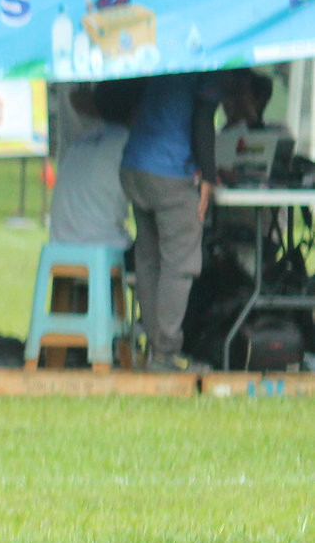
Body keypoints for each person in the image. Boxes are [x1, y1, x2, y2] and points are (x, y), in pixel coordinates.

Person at [120, 70, 223, 370]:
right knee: (179, 263)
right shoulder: (213, 59)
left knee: (149, 259)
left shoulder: (172, 50)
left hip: (134, 165)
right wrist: (208, 175)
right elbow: (204, 119)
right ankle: (166, 352)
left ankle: (155, 348)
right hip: (170, 171)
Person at [48, 84, 134, 247]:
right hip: (103, 245)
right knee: (154, 254)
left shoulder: (80, 142)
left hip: (59, 246)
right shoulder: (129, 144)